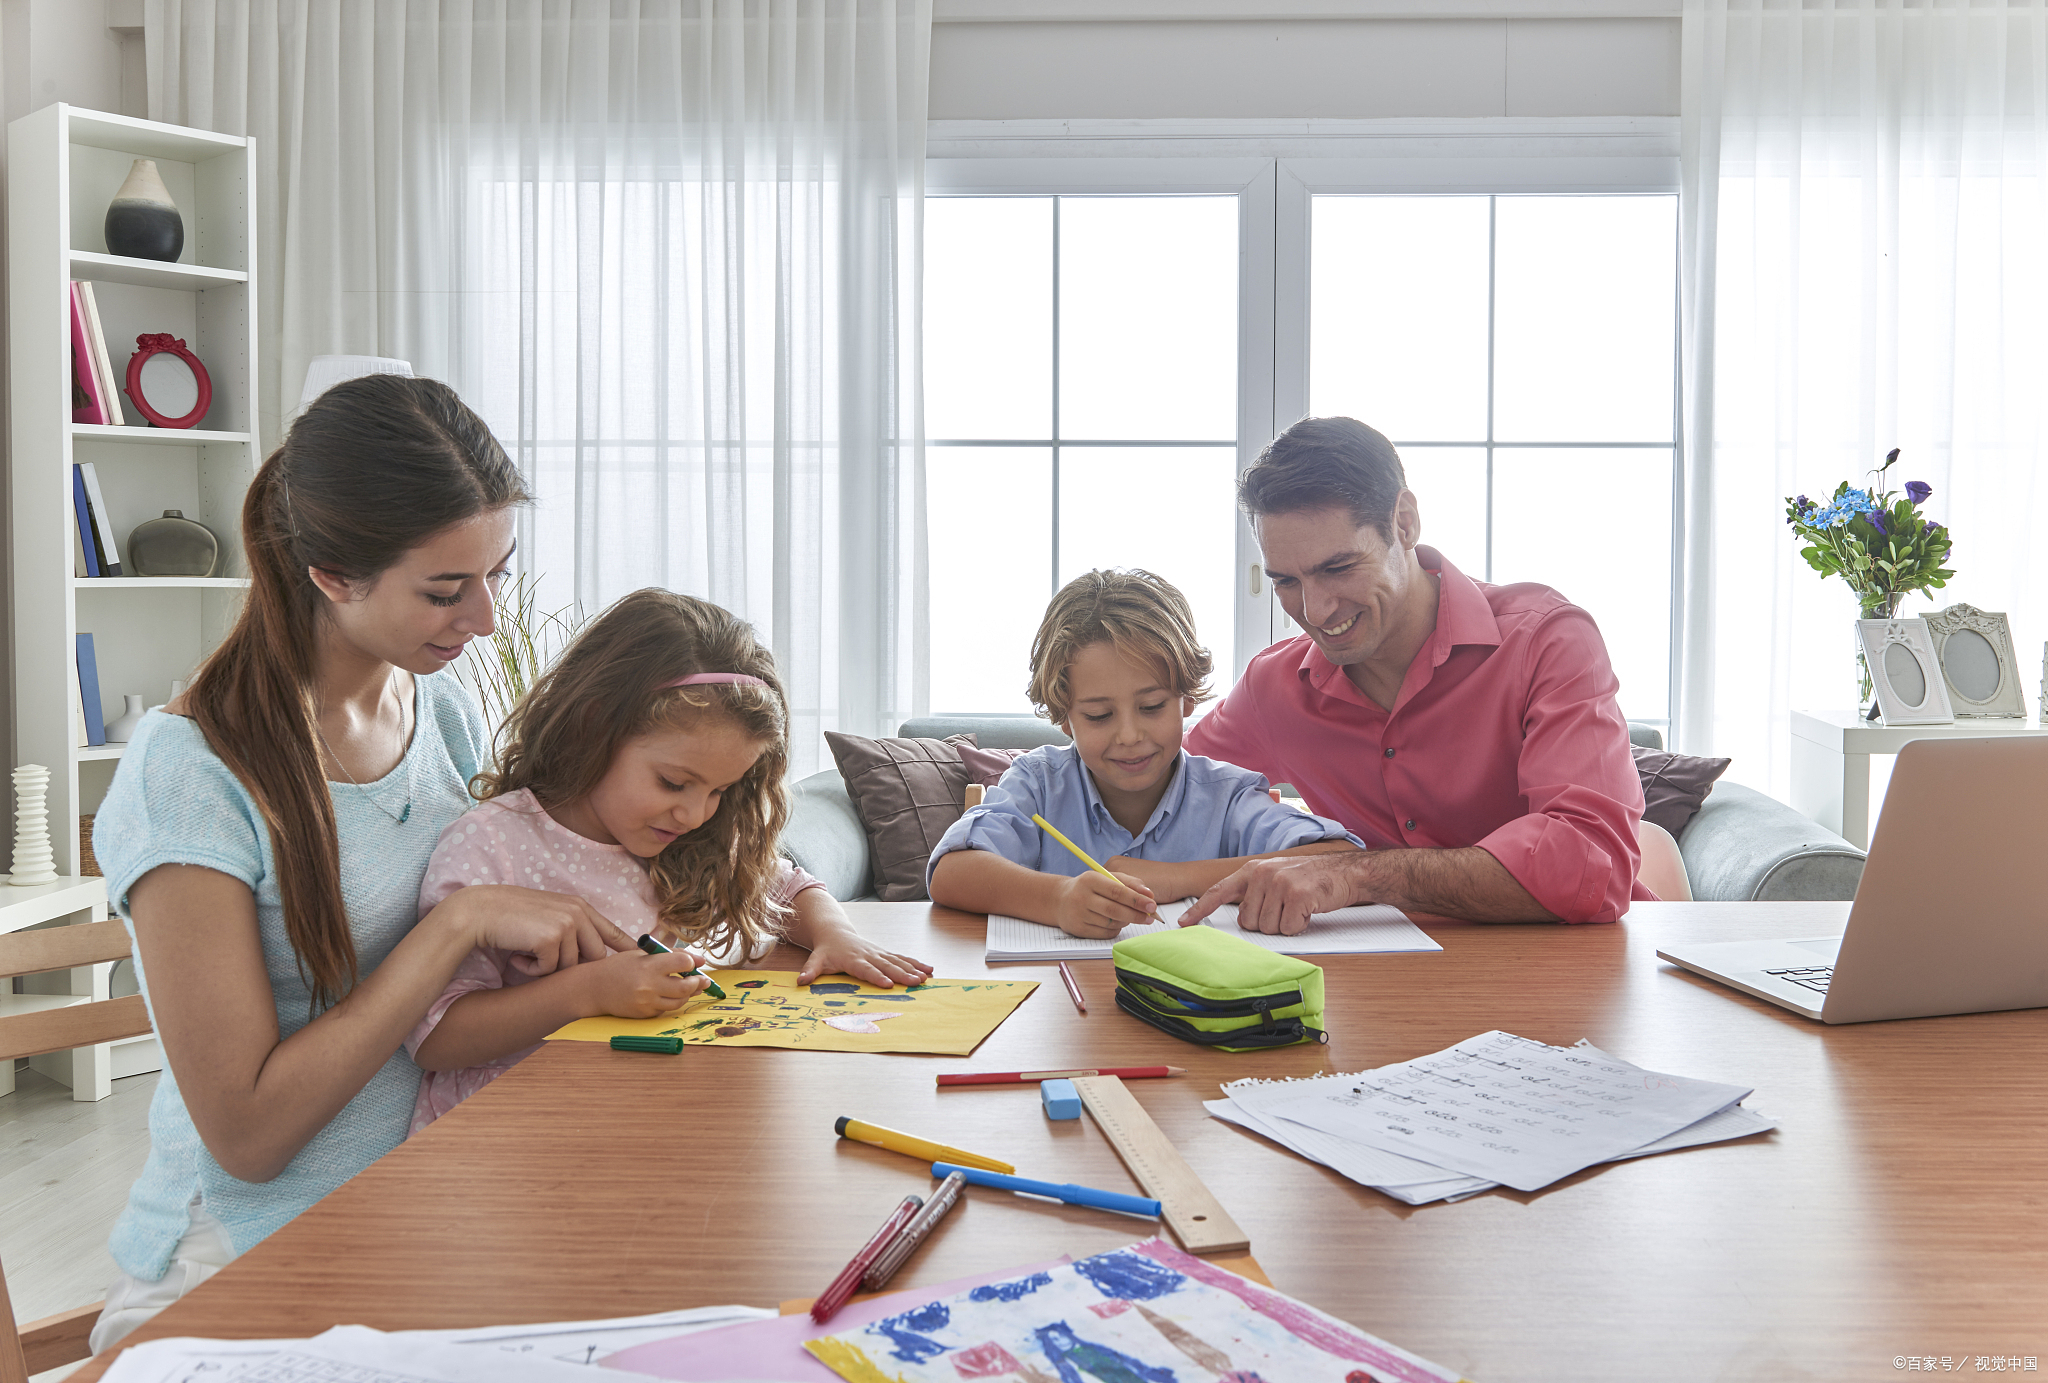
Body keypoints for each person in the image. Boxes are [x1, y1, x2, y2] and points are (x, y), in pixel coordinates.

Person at [88, 376, 647, 1350]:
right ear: (332, 574)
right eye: (444, 590)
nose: (482, 622)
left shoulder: (442, 713)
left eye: (496, 577)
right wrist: (458, 928)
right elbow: (250, 1137)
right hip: (245, 1261)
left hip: (431, 1209)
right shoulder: (189, 774)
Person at [405, 588, 930, 1130]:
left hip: (636, 1115)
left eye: (719, 790)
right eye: (674, 783)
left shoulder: (684, 838)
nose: (695, 814)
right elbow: (436, 1038)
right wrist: (587, 991)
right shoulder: (491, 844)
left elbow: (784, 885)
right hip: (503, 1137)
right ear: (593, 727)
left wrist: (834, 932)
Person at [1181, 416, 1646, 936]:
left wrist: (1355, 875)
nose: (1314, 609)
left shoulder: (1547, 641)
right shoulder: (1273, 689)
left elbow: (1592, 864)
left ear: (1403, 522)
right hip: (1385, 985)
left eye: (1338, 568)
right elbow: (1153, 791)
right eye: (1286, 581)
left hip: (1581, 968)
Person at [926, 568, 1360, 938]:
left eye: (1152, 707)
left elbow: (1340, 858)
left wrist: (1177, 879)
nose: (1129, 735)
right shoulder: (1038, 783)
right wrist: (1058, 899)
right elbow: (950, 874)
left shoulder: (1225, 794)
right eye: (1098, 715)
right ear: (1065, 718)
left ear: (1186, 700)